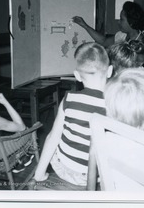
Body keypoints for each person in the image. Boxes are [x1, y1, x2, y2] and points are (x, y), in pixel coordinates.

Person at [33, 42, 112, 187]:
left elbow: (52, 137)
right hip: (93, 176)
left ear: (77, 76)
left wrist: (39, 174)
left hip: (63, 169)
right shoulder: (113, 105)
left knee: (54, 137)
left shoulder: (69, 98)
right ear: (110, 71)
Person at [73, 1, 144, 48]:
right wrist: (84, 25)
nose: (118, 22)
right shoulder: (121, 36)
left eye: (121, 19)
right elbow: (103, 41)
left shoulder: (143, 42)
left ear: (132, 22)